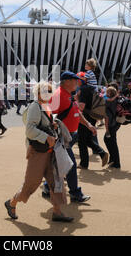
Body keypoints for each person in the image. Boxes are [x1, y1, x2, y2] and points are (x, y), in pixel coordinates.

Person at [4, 81, 74, 222]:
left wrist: (53, 126)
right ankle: (11, 203)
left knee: (56, 181)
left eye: (49, 91)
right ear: (38, 92)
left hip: (49, 152)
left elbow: (43, 125)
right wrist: (46, 137)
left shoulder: (46, 106)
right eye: (44, 91)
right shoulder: (35, 106)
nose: (47, 93)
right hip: (38, 152)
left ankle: (57, 212)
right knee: (31, 183)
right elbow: (30, 129)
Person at [43, 71, 91, 203]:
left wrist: (87, 124)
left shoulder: (69, 95)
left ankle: (47, 187)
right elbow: (49, 117)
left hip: (70, 135)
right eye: (75, 80)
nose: (77, 82)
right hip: (61, 137)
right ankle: (75, 193)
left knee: (60, 164)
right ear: (67, 81)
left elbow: (75, 111)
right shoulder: (58, 95)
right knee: (70, 164)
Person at [77, 72, 109, 169]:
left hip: (85, 117)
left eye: (76, 79)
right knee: (87, 139)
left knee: (81, 141)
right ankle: (102, 153)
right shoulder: (92, 88)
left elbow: (81, 107)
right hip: (93, 116)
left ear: (81, 80)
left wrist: (75, 103)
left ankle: (84, 163)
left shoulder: (83, 89)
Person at [104, 86, 121, 169]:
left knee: (111, 142)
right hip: (115, 123)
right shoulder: (116, 100)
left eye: (107, 92)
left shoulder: (108, 101)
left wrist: (106, 129)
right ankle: (113, 159)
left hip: (110, 124)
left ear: (110, 93)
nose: (106, 93)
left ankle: (116, 162)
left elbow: (106, 117)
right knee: (111, 142)